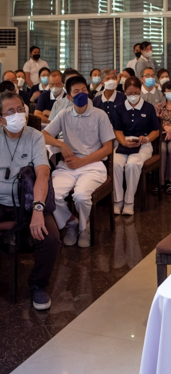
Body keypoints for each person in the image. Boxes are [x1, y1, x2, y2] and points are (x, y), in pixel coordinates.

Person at [0, 91, 58, 310]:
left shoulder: (34, 136)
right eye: (10, 111)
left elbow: (43, 175)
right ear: (1, 119)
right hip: (1, 202)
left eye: (20, 109)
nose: (18, 115)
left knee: (50, 237)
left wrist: (37, 209)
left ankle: (37, 286)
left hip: (27, 201)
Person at [43, 75, 115, 248]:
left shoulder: (100, 115)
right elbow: (44, 134)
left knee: (81, 196)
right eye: (76, 91)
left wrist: (82, 162)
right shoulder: (64, 114)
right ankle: (71, 222)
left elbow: (107, 148)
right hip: (68, 166)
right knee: (51, 195)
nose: (81, 94)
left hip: (93, 165)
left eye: (84, 90)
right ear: (69, 97)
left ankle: (84, 227)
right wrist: (61, 144)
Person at [111, 77, 161, 215]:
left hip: (143, 144)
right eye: (130, 93)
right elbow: (118, 130)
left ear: (140, 91)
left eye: (136, 93)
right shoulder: (119, 108)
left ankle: (129, 201)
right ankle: (117, 200)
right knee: (115, 164)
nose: (133, 96)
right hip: (123, 143)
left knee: (132, 165)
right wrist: (123, 142)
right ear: (124, 92)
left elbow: (155, 131)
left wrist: (146, 139)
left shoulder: (148, 108)